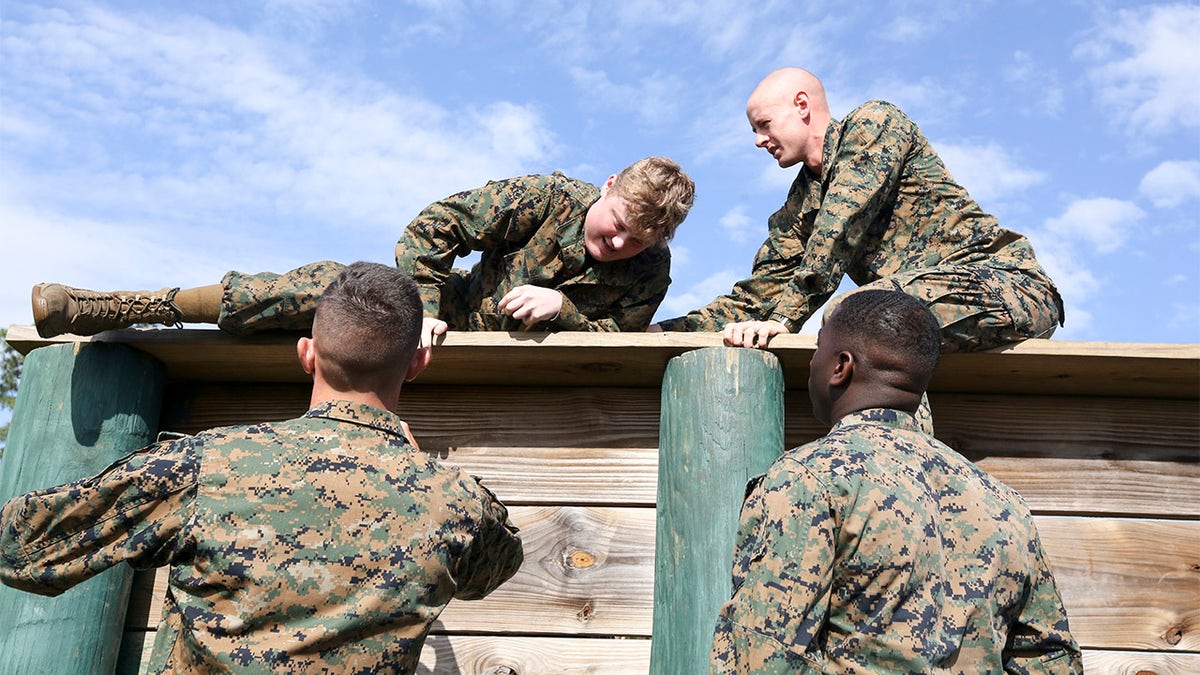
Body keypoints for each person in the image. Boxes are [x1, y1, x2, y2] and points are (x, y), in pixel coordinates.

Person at [1, 262, 524, 673]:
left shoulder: (207, 465)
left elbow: (19, 547)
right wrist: (414, 466)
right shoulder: (456, 504)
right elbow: (494, 568)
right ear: (417, 363)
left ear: (306, 354)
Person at [709, 289, 1081, 673]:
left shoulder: (809, 478)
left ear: (841, 366)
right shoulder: (1004, 503)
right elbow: (1049, 658)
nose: (811, 363)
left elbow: (763, 654)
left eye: (817, 349)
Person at [31, 156, 695, 347]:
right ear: (607, 186)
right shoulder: (547, 196)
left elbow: (620, 335)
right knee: (329, 287)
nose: (617, 244)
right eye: (615, 224)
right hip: (446, 315)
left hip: (526, 365)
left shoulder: (648, 268)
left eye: (636, 240)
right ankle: (130, 304)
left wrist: (562, 308)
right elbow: (432, 229)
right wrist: (429, 306)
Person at [655, 68, 1064, 353]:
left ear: (801, 105)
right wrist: (660, 331)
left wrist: (785, 320)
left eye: (764, 124)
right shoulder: (799, 207)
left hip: (1004, 285)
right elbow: (758, 295)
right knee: (865, 321)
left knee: (856, 314)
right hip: (914, 315)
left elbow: (841, 225)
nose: (759, 141)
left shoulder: (873, 125)